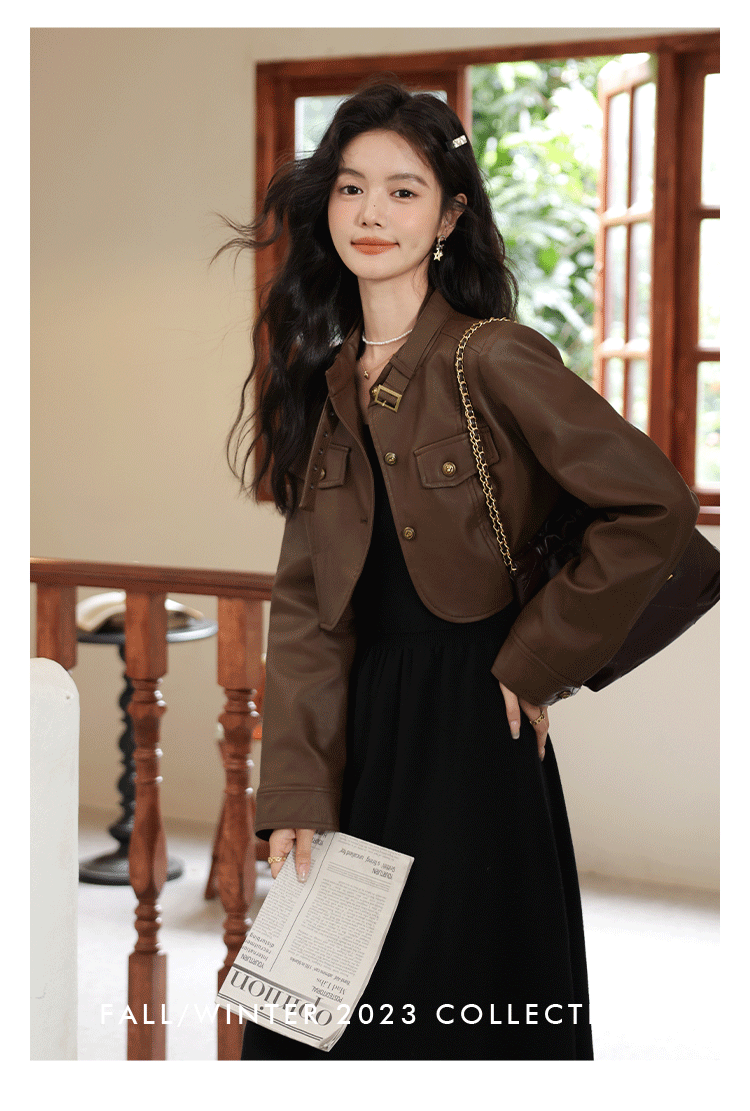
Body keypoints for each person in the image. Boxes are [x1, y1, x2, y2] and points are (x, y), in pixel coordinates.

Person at [217, 79, 699, 1061]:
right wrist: (297, 786)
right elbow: (306, 605)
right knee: (310, 1015)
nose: (372, 212)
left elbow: (653, 504)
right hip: (359, 729)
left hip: (476, 721)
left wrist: (537, 658)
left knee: (457, 999)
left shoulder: (494, 357)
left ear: (448, 218)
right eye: (352, 187)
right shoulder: (321, 383)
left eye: (404, 191)